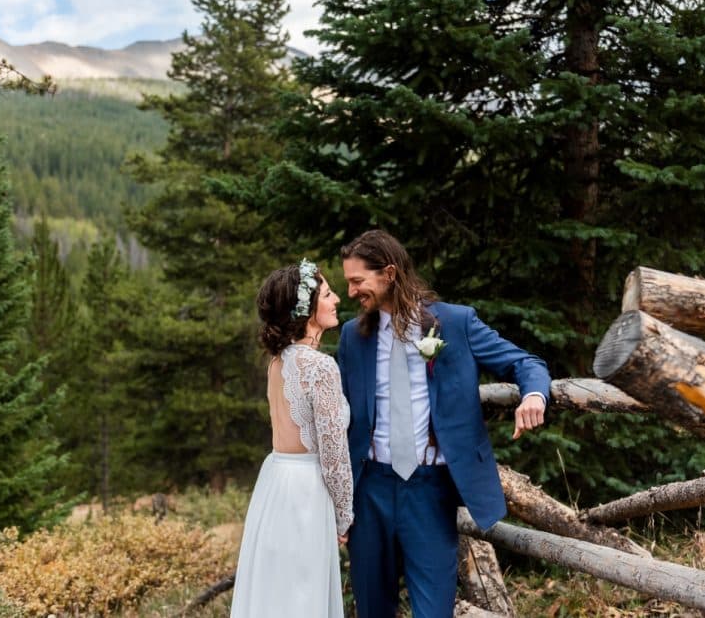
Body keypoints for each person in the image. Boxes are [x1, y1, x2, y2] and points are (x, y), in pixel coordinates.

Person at [338, 230, 550, 618]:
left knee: (434, 611)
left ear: (388, 273)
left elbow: (525, 362)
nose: (351, 293)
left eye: (357, 281)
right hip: (369, 490)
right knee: (371, 609)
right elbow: (337, 413)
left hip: (430, 492)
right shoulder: (353, 337)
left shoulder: (456, 322)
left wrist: (534, 395)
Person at [230, 259, 353, 618]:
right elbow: (333, 453)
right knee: (303, 594)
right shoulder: (320, 367)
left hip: (275, 482)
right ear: (307, 309)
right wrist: (344, 516)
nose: (336, 301)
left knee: (277, 593)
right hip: (307, 491)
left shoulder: (278, 361)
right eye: (328, 294)